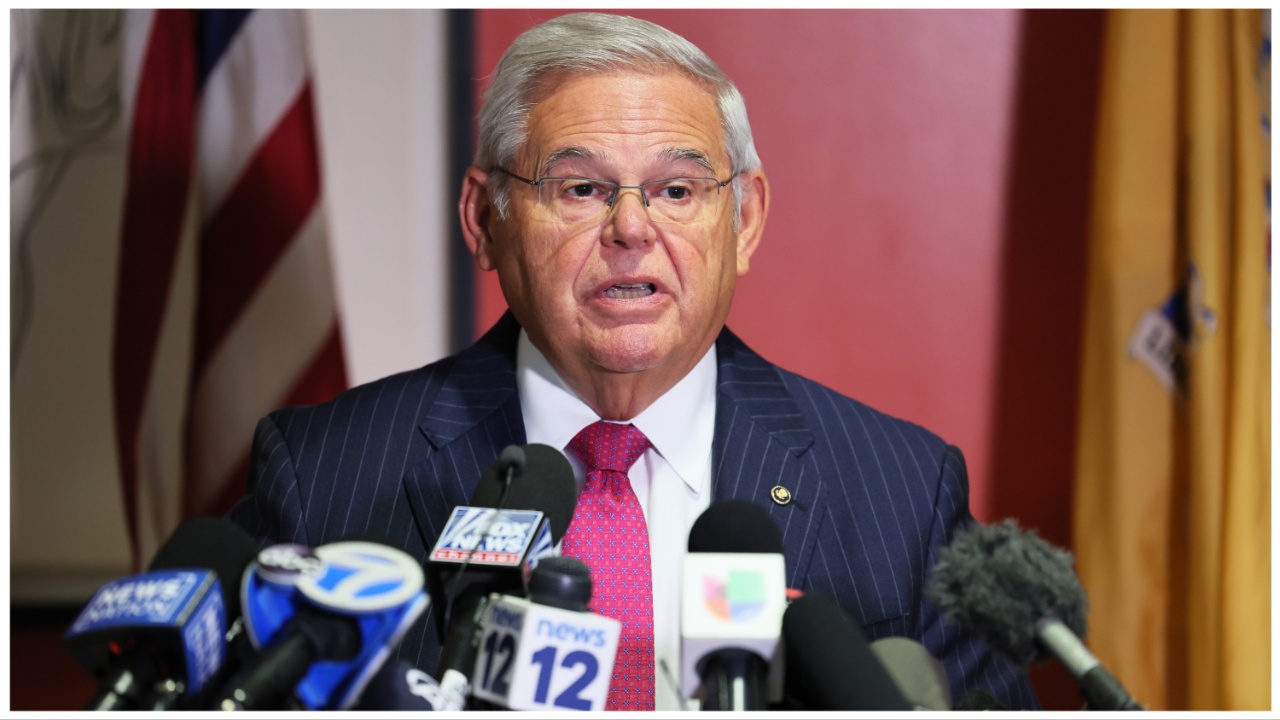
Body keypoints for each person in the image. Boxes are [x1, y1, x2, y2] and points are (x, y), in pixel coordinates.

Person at [230, 12, 1039, 711]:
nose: (630, 229)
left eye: (677, 190)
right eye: (580, 189)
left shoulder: (903, 492)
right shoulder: (323, 474)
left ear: (745, 220)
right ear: (485, 219)